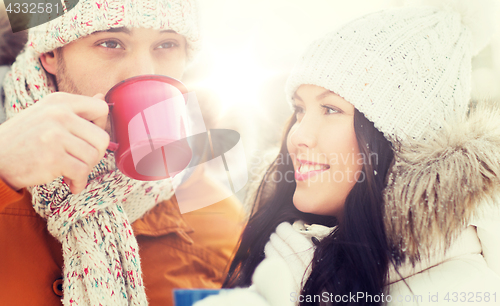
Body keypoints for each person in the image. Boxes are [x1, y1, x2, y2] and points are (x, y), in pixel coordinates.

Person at [195, 1, 500, 306]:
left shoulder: (464, 292)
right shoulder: (287, 254)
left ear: (401, 141)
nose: (297, 136)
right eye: (300, 110)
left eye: (331, 109)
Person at [0, 1, 245, 305]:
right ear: (51, 51)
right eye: (110, 43)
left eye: (166, 44)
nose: (143, 72)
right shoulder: (5, 168)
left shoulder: (218, 222)